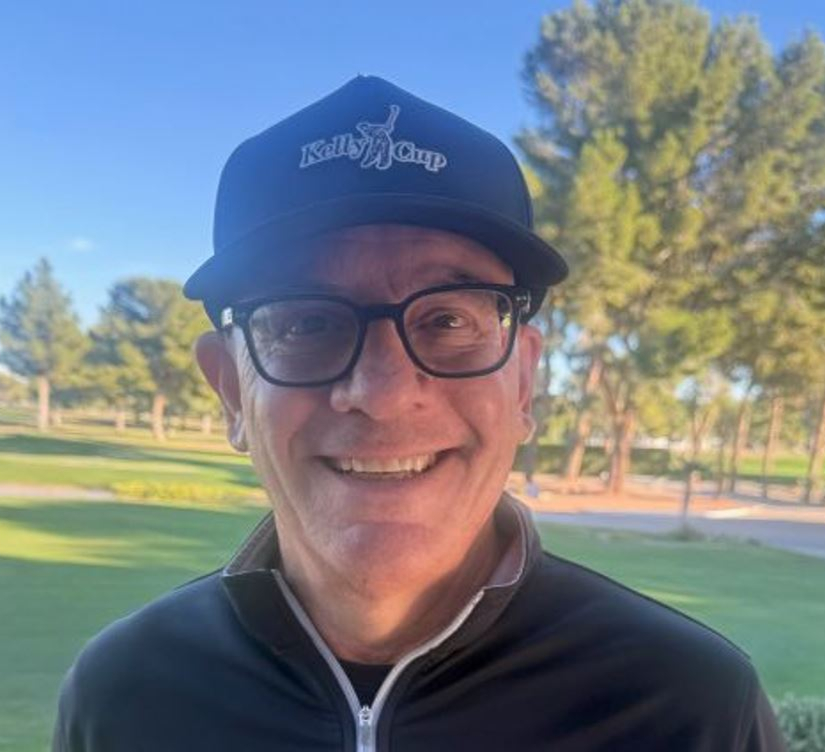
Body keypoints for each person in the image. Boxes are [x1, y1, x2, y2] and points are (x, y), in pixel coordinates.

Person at [53, 75, 785, 751]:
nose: (381, 393)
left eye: (448, 321)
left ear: (523, 382)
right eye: (307, 323)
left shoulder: (689, 708)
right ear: (231, 392)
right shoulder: (123, 695)